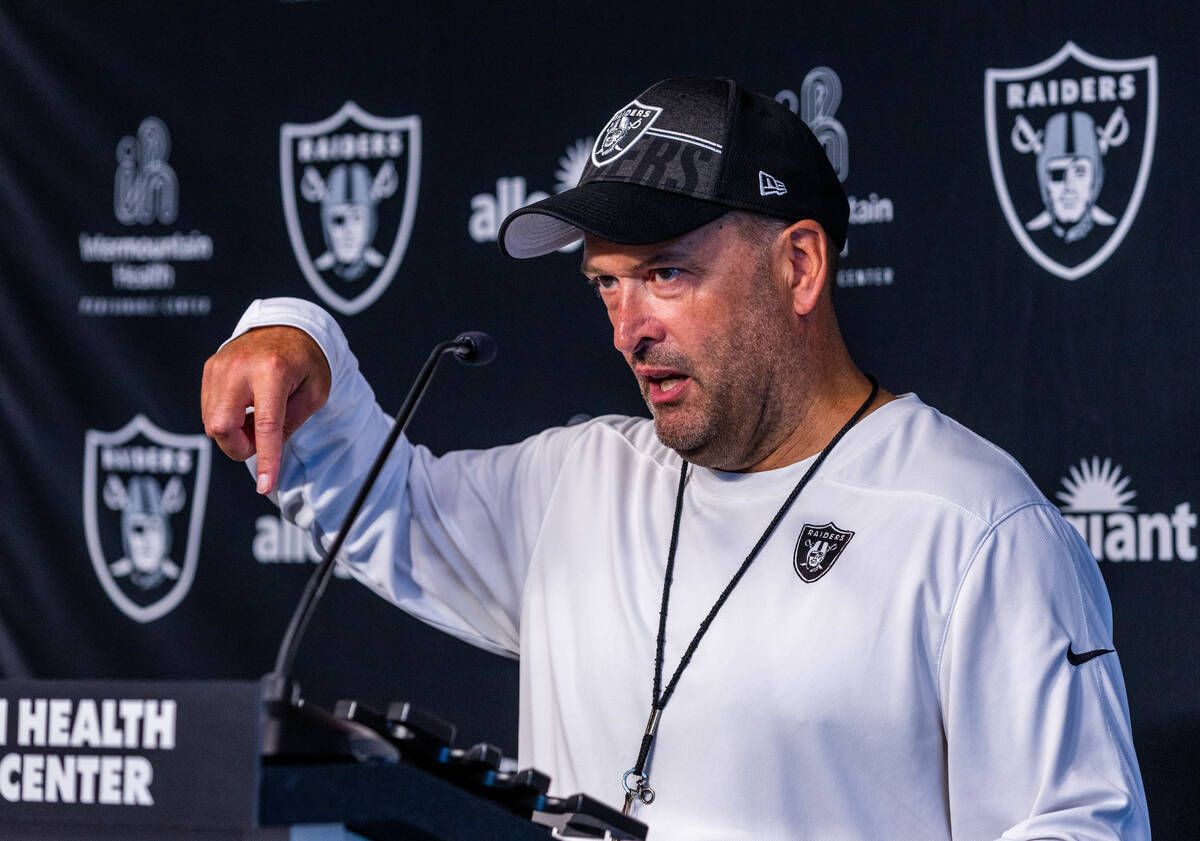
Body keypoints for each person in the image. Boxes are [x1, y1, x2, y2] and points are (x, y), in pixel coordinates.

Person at [202, 77, 1150, 840]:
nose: (628, 331)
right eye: (607, 285)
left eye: (665, 273)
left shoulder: (978, 527)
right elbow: (378, 498)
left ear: (800, 266)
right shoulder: (575, 485)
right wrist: (291, 332)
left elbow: (1075, 826)